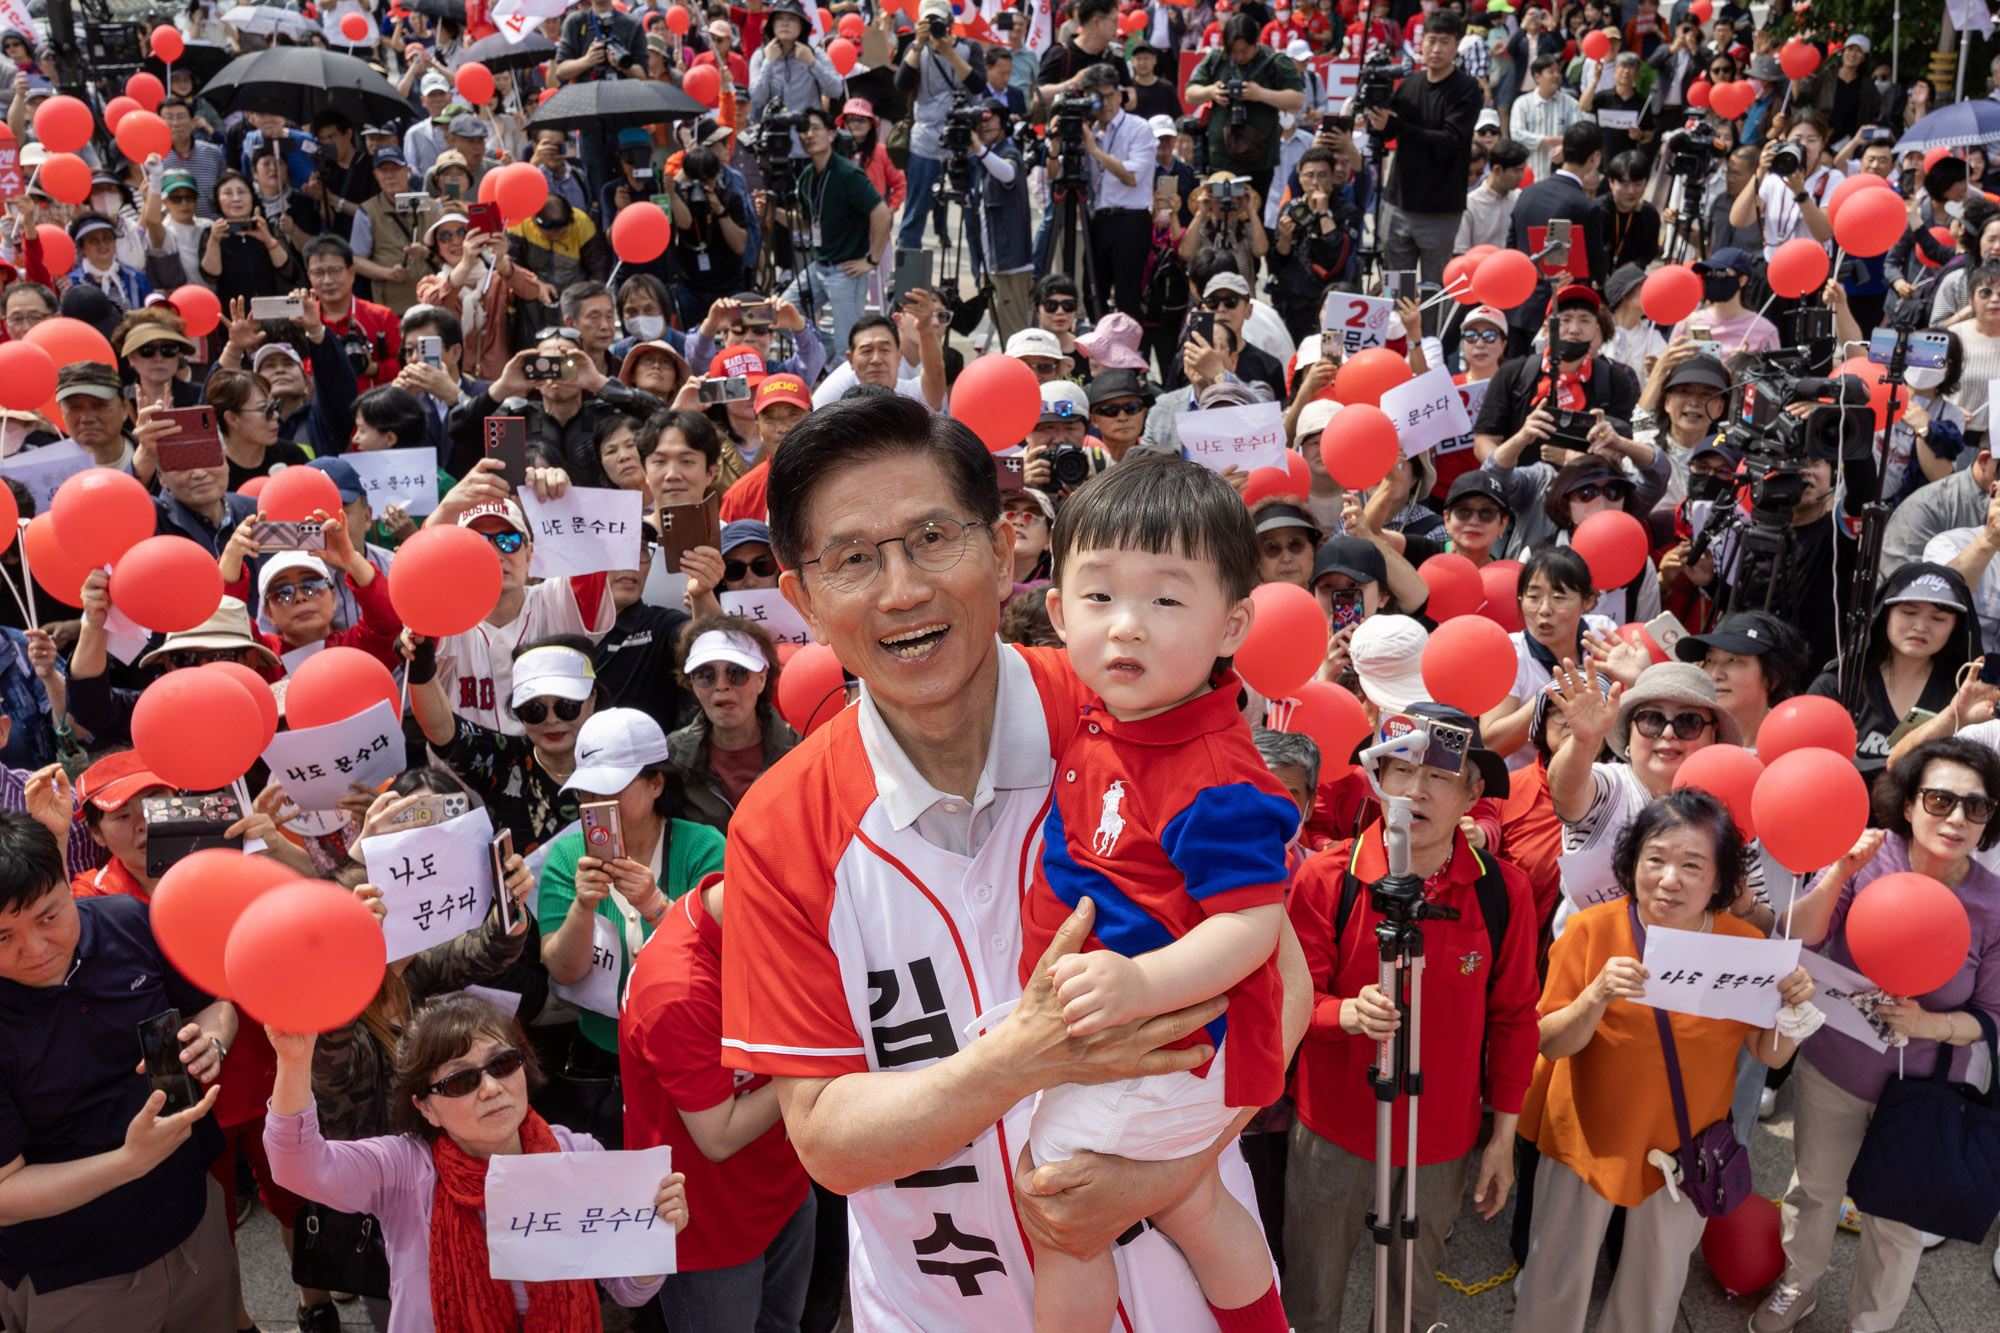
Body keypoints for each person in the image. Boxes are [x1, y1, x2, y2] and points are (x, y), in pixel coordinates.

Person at [721, 394, 1310, 1328]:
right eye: (853, 559)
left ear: (1003, 549)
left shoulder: (1131, 699)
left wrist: (1166, 1172)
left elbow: (1280, 970)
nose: (901, 588)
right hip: (937, 1303)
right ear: (800, 597)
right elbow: (826, 1138)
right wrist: (1018, 1061)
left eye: (931, 537)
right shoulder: (781, 822)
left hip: (1173, 1294)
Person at [1018, 456, 1294, 1331]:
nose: (1126, 626)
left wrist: (1142, 984)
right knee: (1196, 1202)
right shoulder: (1108, 715)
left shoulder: (1216, 772)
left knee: (1060, 1213)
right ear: (1058, 613)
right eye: (1099, 598)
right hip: (1142, 1030)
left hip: (1164, 1035)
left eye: (1167, 600)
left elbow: (1252, 924)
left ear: (1231, 624)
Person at [1514, 790, 1816, 1332]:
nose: (1669, 879)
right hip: (1585, 1132)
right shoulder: (1591, 930)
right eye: (1655, 859)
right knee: (1555, 1276)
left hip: (1685, 1144)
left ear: (1721, 881)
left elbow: (1766, 1052)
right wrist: (1594, 996)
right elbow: (1549, 1042)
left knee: (1655, 1287)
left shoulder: (1744, 947)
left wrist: (1793, 1014)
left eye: (1692, 865)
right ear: (1632, 864)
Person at [1285, 703, 1538, 1333]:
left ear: (1473, 793)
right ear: (1375, 777)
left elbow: (1515, 1020)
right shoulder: (1326, 877)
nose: (1415, 790)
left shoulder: (1503, 891)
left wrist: (1501, 1137)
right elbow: (1288, 999)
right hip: (1333, 1133)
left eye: (1440, 776)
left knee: (1409, 1302)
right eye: (1399, 769)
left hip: (1441, 1140)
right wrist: (1342, 1012)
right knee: (1310, 1298)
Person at [1753, 739, 2000, 1333]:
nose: (1957, 819)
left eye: (1977, 806)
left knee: (1898, 1218)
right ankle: (1799, 1282)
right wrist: (1841, 870)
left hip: (1925, 1093)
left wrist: (1931, 1026)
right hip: (1834, 1067)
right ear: (1909, 804)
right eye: (1940, 800)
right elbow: (1802, 937)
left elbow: (1992, 1013)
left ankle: (1871, 1322)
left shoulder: (1992, 907)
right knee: (1815, 1188)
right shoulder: (1870, 857)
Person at [264, 995, 689, 1330]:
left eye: (502, 1064)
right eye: (461, 1080)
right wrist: (294, 1062)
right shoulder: (406, 1169)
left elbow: (629, 1292)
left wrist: (655, 1236)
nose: (490, 1088)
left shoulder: (576, 1155)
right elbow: (297, 1166)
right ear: (426, 1108)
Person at [0, 811, 235, 1330]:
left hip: (193, 1219)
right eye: (3, 939)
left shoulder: (128, 918)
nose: (35, 951)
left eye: (48, 917)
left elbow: (213, 1005)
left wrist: (212, 1040)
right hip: (75, 1274)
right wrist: (130, 1160)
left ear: (68, 879)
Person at [621, 870, 814, 1330]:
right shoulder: (677, 992)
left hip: (782, 1184)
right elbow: (719, 1136)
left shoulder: (730, 907)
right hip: (708, 1223)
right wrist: (814, 1068)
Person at [537, 708, 727, 1103]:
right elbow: (564, 971)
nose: (595, 804)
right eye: (586, 792)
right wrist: (583, 908)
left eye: (610, 791)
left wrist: (655, 905)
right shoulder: (567, 855)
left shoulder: (704, 847)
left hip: (695, 1043)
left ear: (656, 783)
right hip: (602, 1056)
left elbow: (727, 955)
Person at [1804, 564, 1980, 774]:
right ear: (1884, 615)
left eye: (1938, 618)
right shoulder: (1838, 685)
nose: (1921, 626)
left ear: (1955, 627)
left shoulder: (1964, 694)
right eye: (1909, 612)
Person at [764, 105, 889, 367]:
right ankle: (827, 350)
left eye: (815, 128)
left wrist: (872, 260)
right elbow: (808, 225)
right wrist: (772, 211)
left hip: (847, 270)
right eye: (803, 130)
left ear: (832, 134)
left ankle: (845, 396)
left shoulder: (847, 173)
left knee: (850, 345)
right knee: (775, 315)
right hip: (819, 265)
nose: (808, 135)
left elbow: (882, 213)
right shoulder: (808, 175)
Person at [668, 616, 799, 831]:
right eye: (705, 675)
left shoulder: (801, 752)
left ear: (762, 679)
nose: (721, 685)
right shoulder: (671, 757)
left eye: (736, 673)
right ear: (691, 683)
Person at [1502, 124, 1611, 355]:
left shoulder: (1527, 193)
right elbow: (1597, 267)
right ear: (1595, 157)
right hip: (1557, 313)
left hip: (1517, 304)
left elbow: (1511, 248)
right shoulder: (1585, 207)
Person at [1185, 13, 1309, 204]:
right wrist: (1211, 91)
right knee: (1220, 218)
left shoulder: (1274, 61)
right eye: (1234, 51)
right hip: (1220, 161)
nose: (1239, 56)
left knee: (1252, 216)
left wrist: (1260, 94)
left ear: (1256, 41)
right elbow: (1190, 93)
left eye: (1245, 50)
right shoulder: (1217, 58)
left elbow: (1297, 100)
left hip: (1259, 162)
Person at [895, 0, 988, 255]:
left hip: (963, 143)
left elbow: (978, 85)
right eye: (928, 22)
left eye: (938, 22)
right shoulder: (915, 49)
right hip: (925, 143)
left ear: (950, 23)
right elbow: (901, 84)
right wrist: (918, 43)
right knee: (914, 216)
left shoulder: (969, 48)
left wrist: (949, 52)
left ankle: (983, 285)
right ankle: (905, 287)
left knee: (973, 219)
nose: (934, 28)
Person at [1079, 64, 1158, 323]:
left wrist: (1095, 151)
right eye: (1097, 96)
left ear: (1120, 94)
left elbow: (1132, 176)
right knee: (1092, 291)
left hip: (1131, 219)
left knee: (1127, 296)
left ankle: (1130, 359)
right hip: (1099, 218)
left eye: (1111, 94)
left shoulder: (1138, 128)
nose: (1105, 103)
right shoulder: (1088, 131)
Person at [1673, 611, 1813, 752]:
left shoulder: (1793, 748)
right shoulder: (1683, 737)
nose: (1715, 674)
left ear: (1774, 675)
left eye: (1734, 660)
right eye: (1710, 660)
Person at [1269, 147, 1357, 342]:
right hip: (1290, 302)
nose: (1315, 182)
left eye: (1322, 175)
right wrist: (1284, 237)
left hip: (1325, 305)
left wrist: (1324, 213)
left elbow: (1337, 257)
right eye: (1309, 175)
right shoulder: (1291, 208)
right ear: (1300, 177)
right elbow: (1276, 262)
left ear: (1333, 177)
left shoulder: (1346, 211)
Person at [1731, 110, 1838, 261]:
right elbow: (1738, 220)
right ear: (1786, 139)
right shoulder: (1773, 178)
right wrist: (1760, 172)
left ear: (1823, 143)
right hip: (1775, 266)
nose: (1804, 146)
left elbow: (1824, 233)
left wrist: (1800, 193)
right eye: (1797, 139)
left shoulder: (1832, 178)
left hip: (1811, 269)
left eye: (1812, 140)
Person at [971, 98, 1035, 348]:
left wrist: (979, 150)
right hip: (993, 262)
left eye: (990, 121)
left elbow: (1008, 174)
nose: (984, 127)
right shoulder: (984, 159)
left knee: (1015, 335)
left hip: (1011, 265)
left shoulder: (1007, 153)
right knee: (1004, 330)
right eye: (979, 124)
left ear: (1003, 123)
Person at [201, 169, 295, 307]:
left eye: (242, 192)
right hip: (234, 314)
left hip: (272, 313)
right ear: (217, 199)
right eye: (228, 193)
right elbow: (211, 277)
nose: (236, 198)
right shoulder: (211, 233)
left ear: (252, 196)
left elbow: (288, 271)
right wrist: (214, 241)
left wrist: (268, 239)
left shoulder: (267, 229)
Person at [1673, 246, 1780, 354]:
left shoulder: (1764, 331)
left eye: (1721, 273)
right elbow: (1666, 367)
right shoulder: (1688, 324)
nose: (1713, 278)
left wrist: (1747, 363)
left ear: (1742, 280)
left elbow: (1775, 370)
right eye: (1708, 273)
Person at [1510, 53, 1583, 181]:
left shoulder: (1571, 104)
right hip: (1529, 176)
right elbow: (1517, 135)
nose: (1556, 75)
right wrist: (1552, 140)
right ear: (1537, 77)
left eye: (1558, 72)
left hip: (1560, 178)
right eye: (1551, 72)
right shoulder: (1522, 103)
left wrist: (1564, 146)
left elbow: (1579, 135)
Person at [1457, 136, 1528, 252]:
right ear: (1497, 170)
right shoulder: (1470, 204)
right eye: (1516, 171)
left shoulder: (1521, 200)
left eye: (1522, 170)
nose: (1521, 176)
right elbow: (1461, 251)